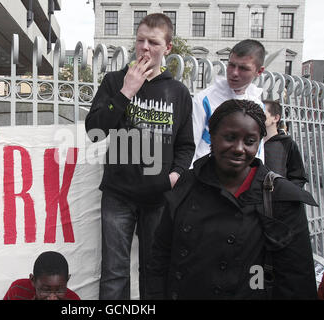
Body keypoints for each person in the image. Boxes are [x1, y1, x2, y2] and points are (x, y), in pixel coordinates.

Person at [147, 99, 318, 299]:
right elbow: (160, 256)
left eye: (249, 141)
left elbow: (297, 281)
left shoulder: (280, 197)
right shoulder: (187, 183)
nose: (239, 148)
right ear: (212, 136)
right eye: (230, 137)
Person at [85, 13, 195, 300]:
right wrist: (126, 92)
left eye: (153, 42)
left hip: (159, 198)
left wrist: (174, 176)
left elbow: (186, 145)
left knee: (155, 270)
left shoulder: (178, 92)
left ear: (167, 48)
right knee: (114, 273)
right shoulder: (114, 81)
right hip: (118, 194)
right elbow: (94, 131)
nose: (145, 48)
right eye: (140, 40)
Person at [191, 39, 266, 166]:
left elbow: (259, 151)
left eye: (243, 68)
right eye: (231, 65)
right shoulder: (205, 99)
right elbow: (191, 146)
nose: (234, 73)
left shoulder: (258, 105)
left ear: (259, 71)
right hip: (206, 176)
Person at [263, 100, 307, 188]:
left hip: (277, 198)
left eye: (262, 115)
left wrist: (285, 193)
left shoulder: (287, 143)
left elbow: (298, 177)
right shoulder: (252, 142)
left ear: (275, 118)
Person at [3, 251, 80, 300]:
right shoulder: (18, 290)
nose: (52, 298)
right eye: (46, 290)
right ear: (33, 280)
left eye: (59, 291)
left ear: (67, 280)